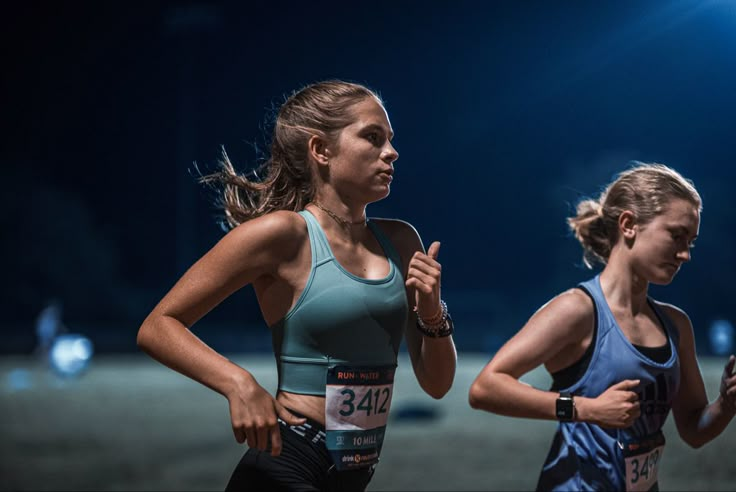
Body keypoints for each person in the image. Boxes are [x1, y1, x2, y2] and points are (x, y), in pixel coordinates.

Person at [137, 80, 457, 492]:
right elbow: (158, 325)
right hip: (285, 466)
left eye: (390, 140)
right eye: (373, 137)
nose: (391, 152)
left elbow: (437, 383)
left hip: (352, 476)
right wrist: (238, 383)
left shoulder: (401, 241)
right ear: (321, 150)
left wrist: (433, 313)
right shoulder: (282, 235)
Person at [468, 162, 736, 491]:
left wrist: (726, 403)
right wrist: (585, 408)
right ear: (628, 225)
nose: (685, 254)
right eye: (676, 236)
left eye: (690, 242)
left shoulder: (676, 325)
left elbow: (694, 430)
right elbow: (485, 388)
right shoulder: (577, 310)